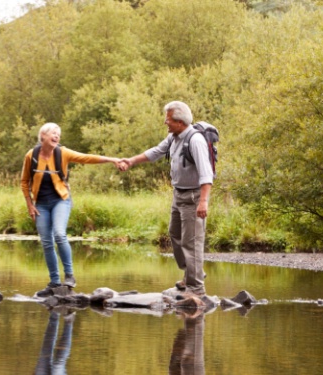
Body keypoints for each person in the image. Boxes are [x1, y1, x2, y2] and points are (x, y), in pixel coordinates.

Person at [117, 101, 213, 298]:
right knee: (175, 234)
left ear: (180, 121)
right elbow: (156, 152)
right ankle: (191, 274)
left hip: (194, 196)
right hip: (178, 194)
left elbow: (206, 174)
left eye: (168, 119)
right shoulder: (174, 137)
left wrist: (203, 202)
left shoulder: (195, 141)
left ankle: (196, 288)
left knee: (191, 241)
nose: (165, 122)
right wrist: (132, 161)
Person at [21, 122, 122, 297]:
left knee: (59, 234)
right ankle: (54, 282)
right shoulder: (32, 155)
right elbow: (24, 182)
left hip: (61, 200)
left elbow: (87, 158)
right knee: (46, 242)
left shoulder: (63, 153)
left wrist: (112, 159)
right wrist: (30, 204)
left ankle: (69, 276)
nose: (57, 136)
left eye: (58, 134)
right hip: (41, 205)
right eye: (53, 133)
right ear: (43, 136)